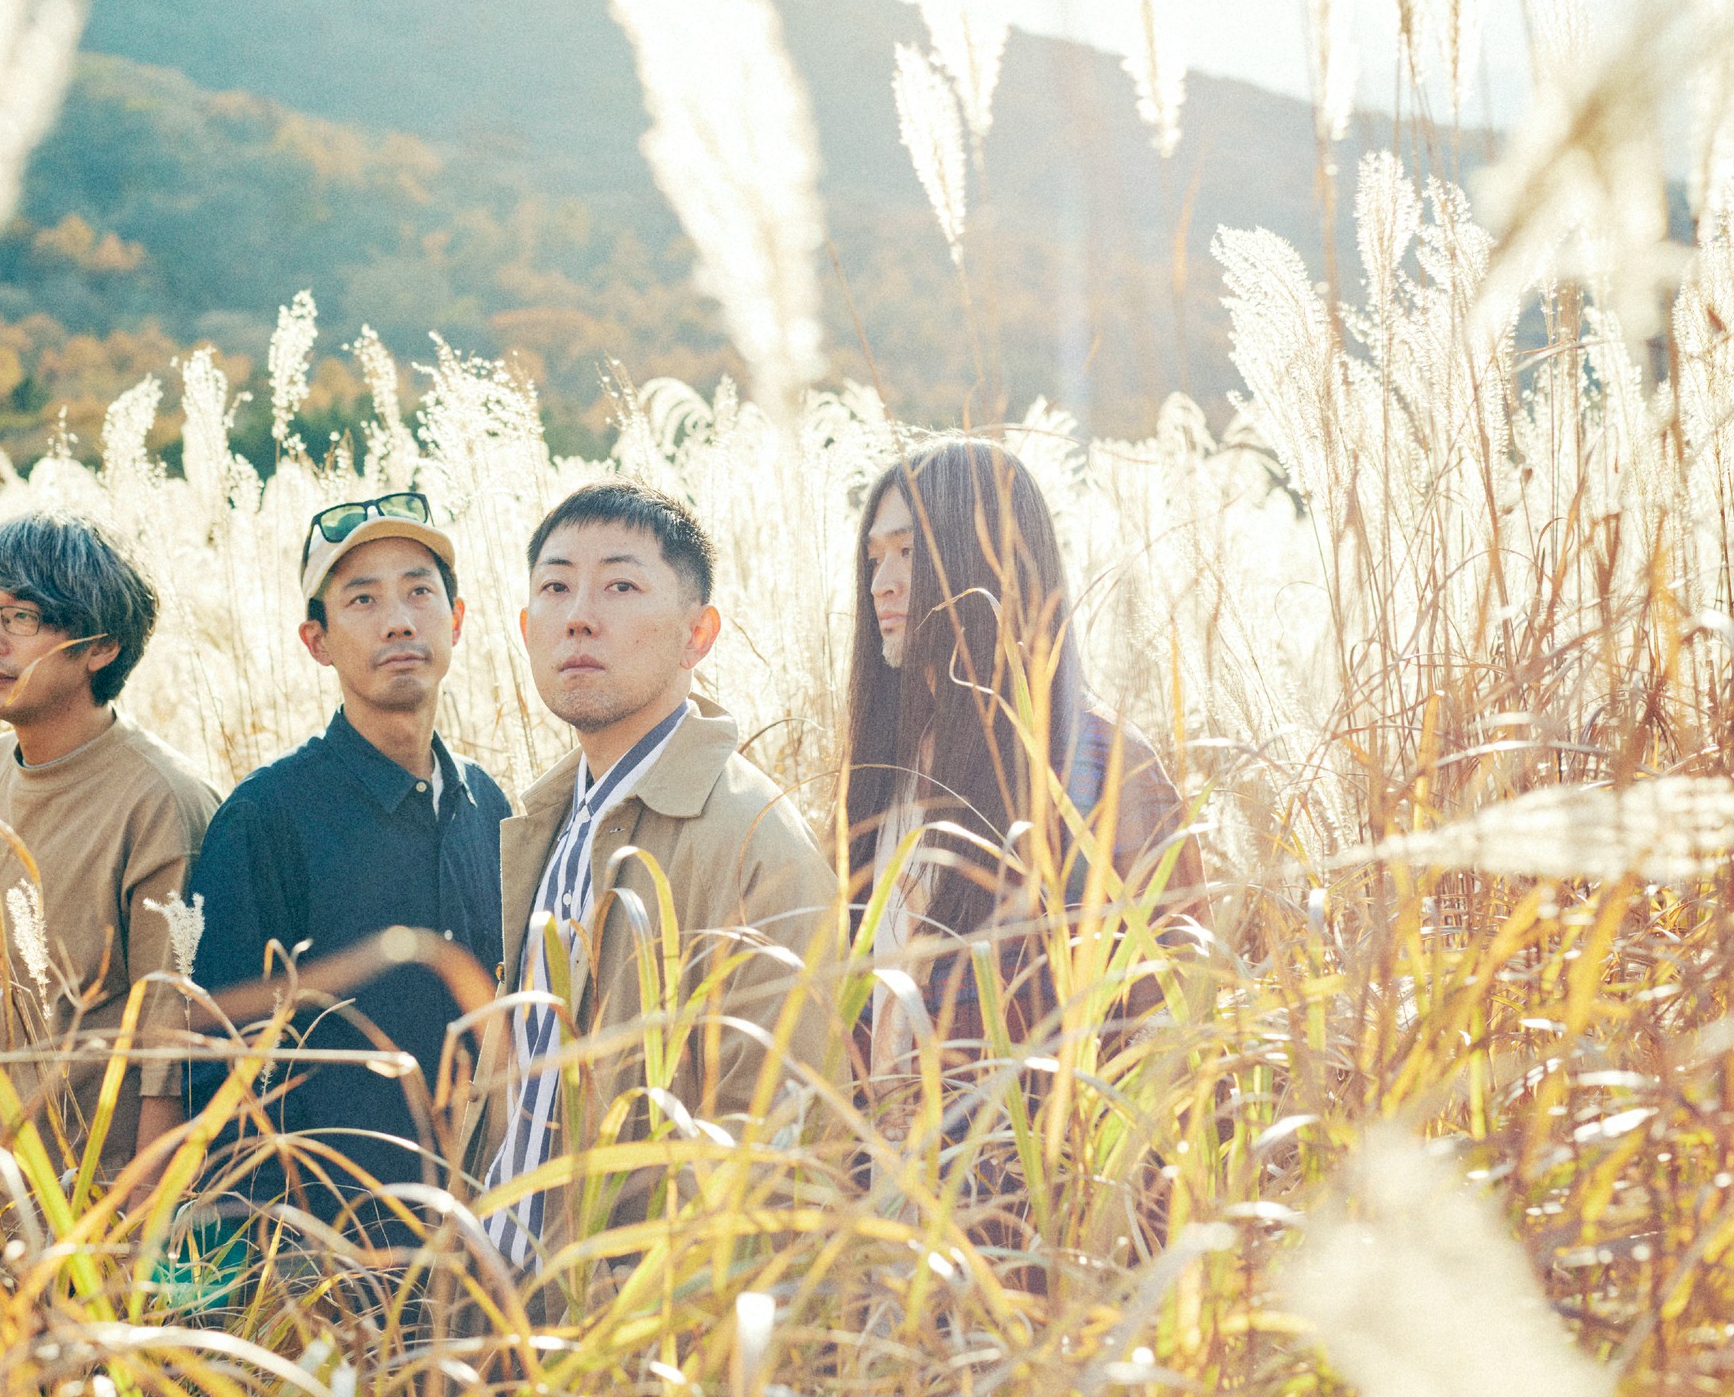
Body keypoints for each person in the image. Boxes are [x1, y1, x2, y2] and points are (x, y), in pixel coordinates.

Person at [477, 481, 836, 1273]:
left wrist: (624, 1320)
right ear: (526, 628)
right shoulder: (547, 819)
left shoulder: (753, 840)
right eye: (555, 587)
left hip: (616, 1327)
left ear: (696, 635)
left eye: (620, 586)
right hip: (498, 1307)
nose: (579, 615)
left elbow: (776, 1152)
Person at [167, 492, 506, 1243]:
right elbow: (221, 1070)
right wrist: (278, 1267)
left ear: (456, 620)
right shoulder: (267, 819)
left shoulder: (488, 806)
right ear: (316, 641)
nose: (398, 621)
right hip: (332, 1260)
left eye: (419, 592)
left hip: (483, 1249)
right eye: (362, 600)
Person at [843, 438, 1205, 1100]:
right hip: (885, 1159)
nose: (880, 584)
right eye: (873, 559)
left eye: (909, 552)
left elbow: (1170, 1031)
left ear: (990, 560)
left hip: (1029, 1159)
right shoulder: (886, 769)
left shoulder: (1101, 768)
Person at [0, 511, 221, 1183]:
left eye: (22, 618)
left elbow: (170, 1057)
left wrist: (136, 1225)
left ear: (101, 647)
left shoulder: (161, 805)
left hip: (86, 1214)